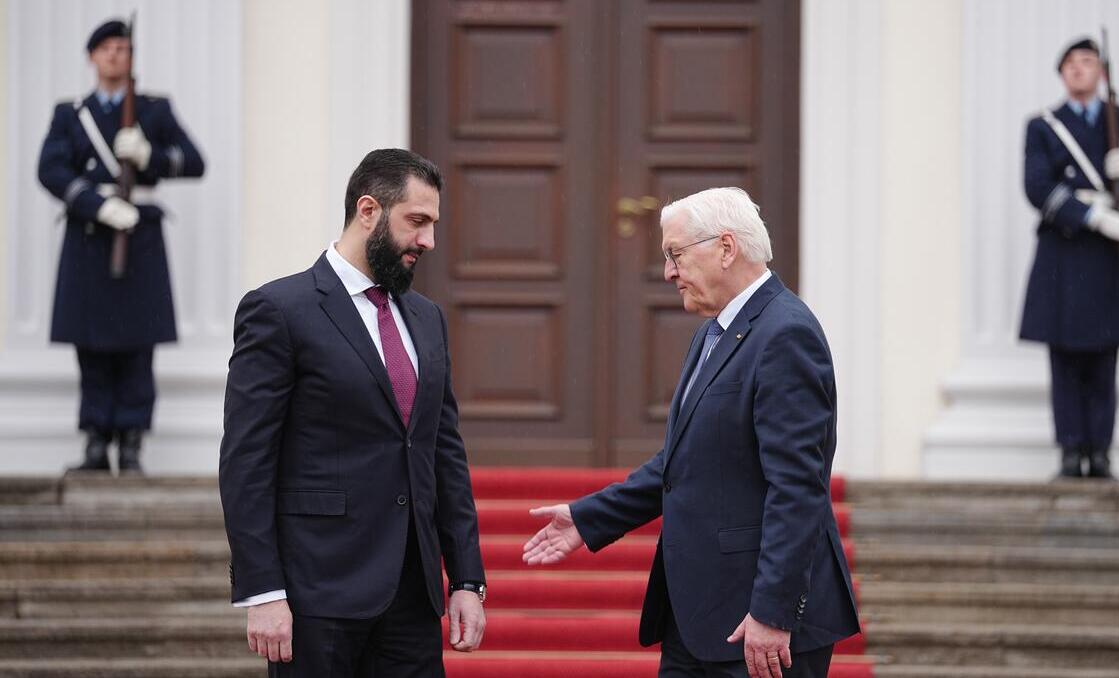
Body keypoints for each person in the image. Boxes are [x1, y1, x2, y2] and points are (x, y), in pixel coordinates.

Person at [523, 188, 859, 678]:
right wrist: (588, 517)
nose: (668, 272)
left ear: (726, 248)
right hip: (700, 618)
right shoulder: (715, 332)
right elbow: (681, 462)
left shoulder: (785, 333)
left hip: (757, 628)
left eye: (675, 254)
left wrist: (772, 611)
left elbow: (797, 488)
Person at [219, 149, 486, 676]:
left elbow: (443, 454)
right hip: (315, 595)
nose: (428, 241)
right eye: (417, 221)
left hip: (413, 597)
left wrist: (466, 580)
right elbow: (246, 462)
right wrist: (263, 591)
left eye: (433, 224)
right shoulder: (278, 310)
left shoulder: (427, 318)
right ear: (369, 211)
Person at [37, 18, 205, 473]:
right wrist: (95, 205)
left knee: (137, 346)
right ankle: (96, 441)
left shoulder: (153, 110)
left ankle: (131, 443)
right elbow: (50, 170)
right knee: (90, 347)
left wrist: (151, 155)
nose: (115, 55)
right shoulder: (71, 114)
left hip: (140, 240)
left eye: (123, 48)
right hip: (91, 239)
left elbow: (194, 161)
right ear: (92, 57)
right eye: (106, 48)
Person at [1019, 37, 1119, 480]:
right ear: (1061, 75)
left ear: (1101, 72)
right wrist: (1092, 216)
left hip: (1107, 256)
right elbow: (1037, 187)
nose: (1079, 69)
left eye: (1087, 62)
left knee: (1104, 356)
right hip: (1065, 249)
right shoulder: (1044, 125)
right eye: (1070, 64)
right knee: (1063, 358)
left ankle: (1100, 453)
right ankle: (1069, 452)